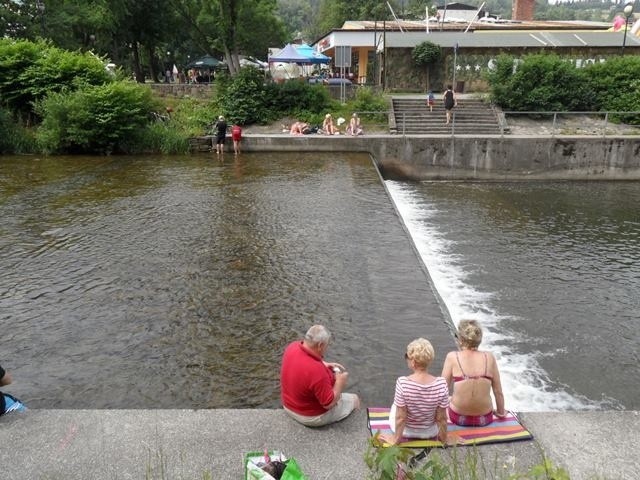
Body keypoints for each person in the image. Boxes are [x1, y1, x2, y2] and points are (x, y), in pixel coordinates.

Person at [280, 325, 360, 427]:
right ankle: (357, 428)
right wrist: (340, 382)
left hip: (288, 406)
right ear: (320, 345)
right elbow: (328, 404)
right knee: (355, 399)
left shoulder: (292, 347)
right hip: (308, 416)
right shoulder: (316, 371)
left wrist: (323, 363)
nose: (326, 348)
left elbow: (305, 361)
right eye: (327, 345)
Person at [380, 338, 449, 445]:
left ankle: (398, 437)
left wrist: (395, 440)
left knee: (396, 405)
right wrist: (444, 439)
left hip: (406, 432)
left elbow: (400, 417)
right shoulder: (441, 384)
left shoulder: (402, 383)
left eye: (407, 356)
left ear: (413, 362)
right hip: (430, 432)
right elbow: (442, 418)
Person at [441, 320, 506, 427]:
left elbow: (442, 390)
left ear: (461, 340)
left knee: (449, 397)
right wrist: (500, 413)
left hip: (458, 418)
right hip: (484, 419)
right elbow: (498, 391)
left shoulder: (452, 357)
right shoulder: (489, 357)